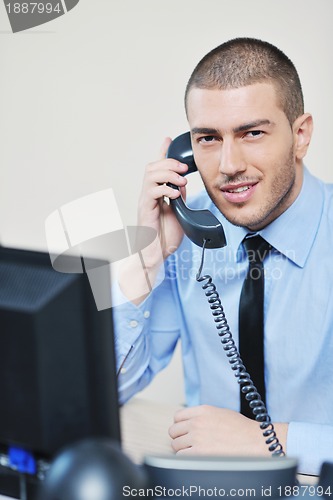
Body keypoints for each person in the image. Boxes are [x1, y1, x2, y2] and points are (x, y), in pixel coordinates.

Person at [112, 37, 333, 476]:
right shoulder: (190, 237)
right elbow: (103, 393)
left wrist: (268, 442)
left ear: (300, 135)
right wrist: (147, 259)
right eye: (209, 138)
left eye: (252, 132)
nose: (228, 164)